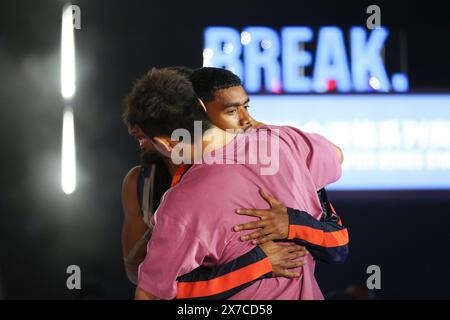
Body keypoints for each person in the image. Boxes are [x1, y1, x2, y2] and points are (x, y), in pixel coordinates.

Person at [125, 68, 344, 299]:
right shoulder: (286, 142)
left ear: (167, 143)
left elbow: (150, 295)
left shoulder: (181, 203)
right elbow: (337, 155)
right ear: (201, 106)